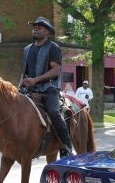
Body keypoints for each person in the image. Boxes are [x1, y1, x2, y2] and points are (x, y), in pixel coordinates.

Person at [19, 16, 74, 157]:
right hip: (29, 90)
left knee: (54, 112)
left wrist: (35, 80)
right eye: (34, 26)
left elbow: (55, 70)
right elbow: (24, 74)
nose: (35, 28)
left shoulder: (53, 47)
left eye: (40, 27)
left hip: (49, 89)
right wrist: (18, 89)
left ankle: (66, 147)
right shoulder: (26, 50)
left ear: (47, 32)